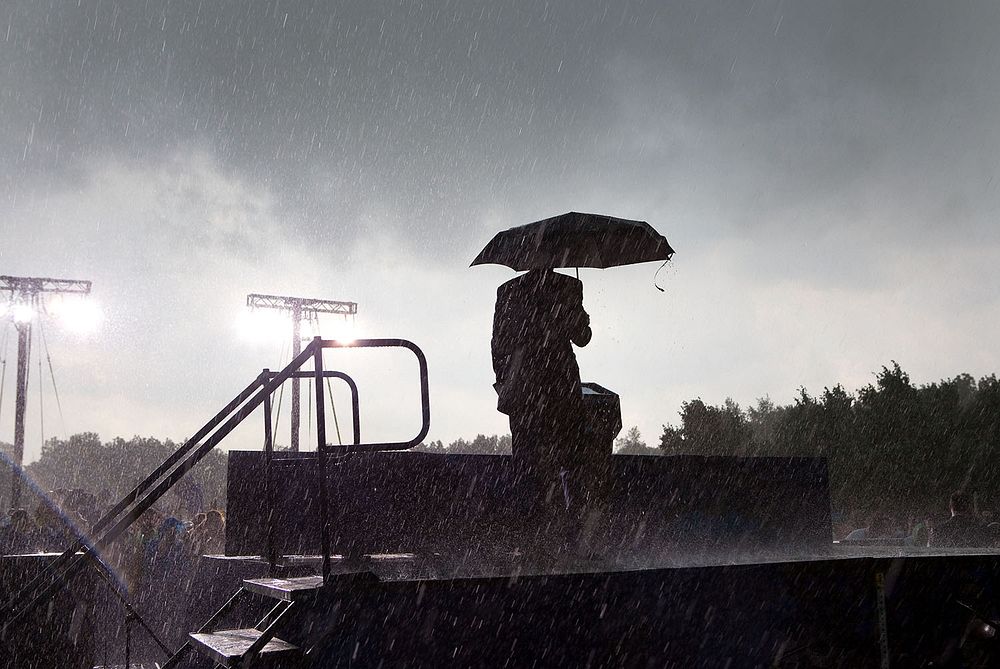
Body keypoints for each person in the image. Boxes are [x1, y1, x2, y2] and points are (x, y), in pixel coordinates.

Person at [491, 268, 592, 550]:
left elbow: (498, 344)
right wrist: (582, 319)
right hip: (561, 385)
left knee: (526, 462)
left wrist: (504, 380)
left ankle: (530, 537)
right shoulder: (569, 286)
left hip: (524, 386)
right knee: (570, 462)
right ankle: (571, 534)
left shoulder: (508, 291)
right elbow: (582, 337)